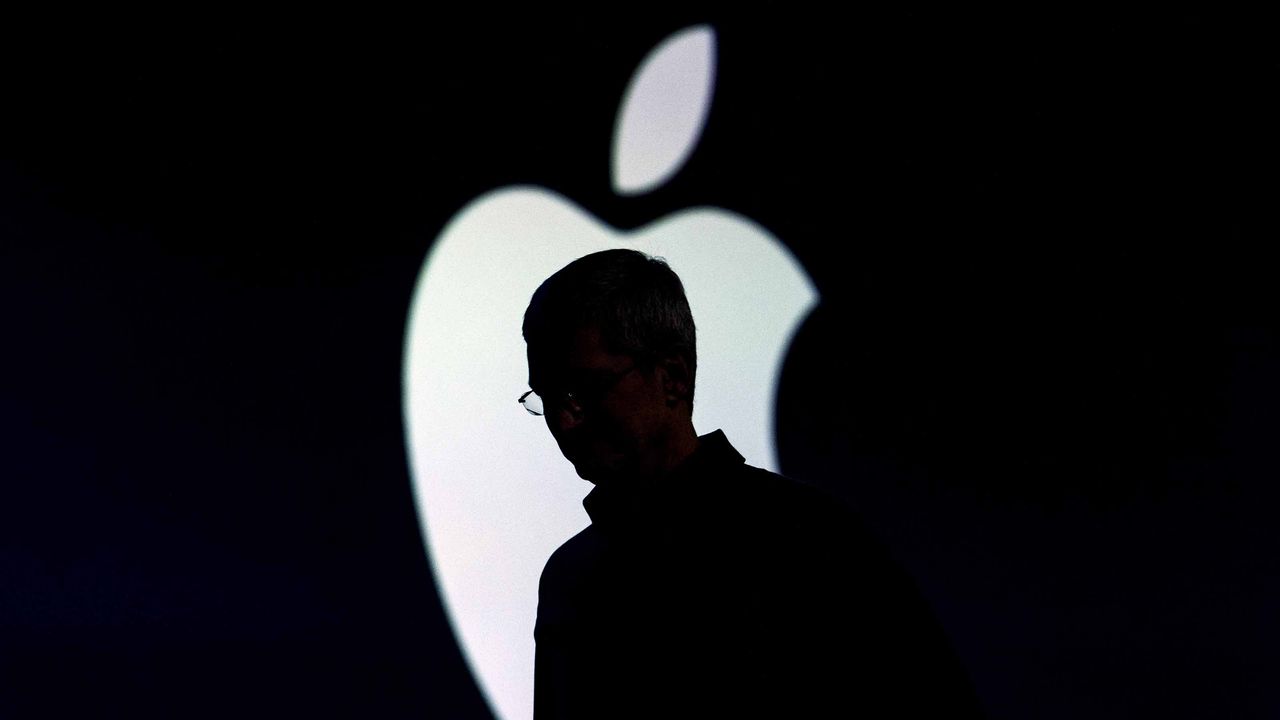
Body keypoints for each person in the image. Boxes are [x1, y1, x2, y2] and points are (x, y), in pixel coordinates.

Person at [522, 249, 982, 719]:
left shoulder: (812, 541)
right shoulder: (569, 581)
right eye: (546, 397)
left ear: (672, 377)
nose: (563, 419)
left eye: (585, 389)